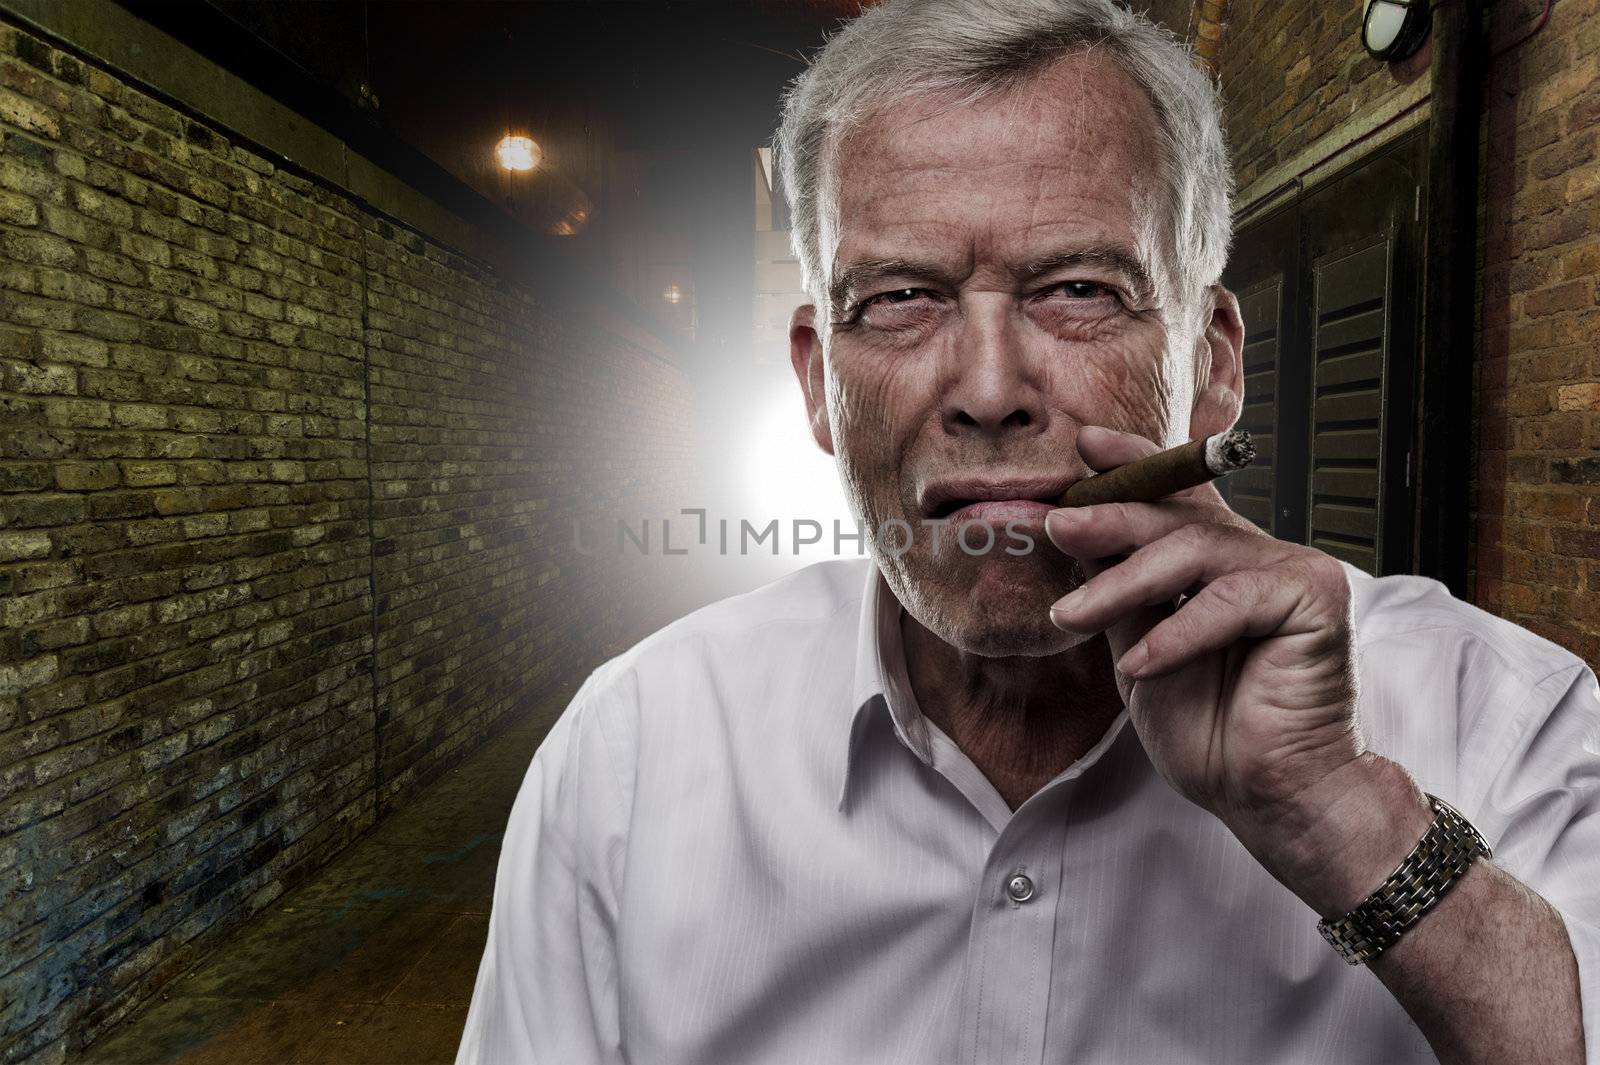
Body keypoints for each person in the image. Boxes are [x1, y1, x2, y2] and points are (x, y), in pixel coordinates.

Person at [457, 1, 1600, 1061]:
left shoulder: (1500, 722)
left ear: (1211, 365)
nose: (991, 389)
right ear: (816, 383)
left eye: (1078, 289)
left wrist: (1345, 816)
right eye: (901, 297)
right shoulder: (634, 754)